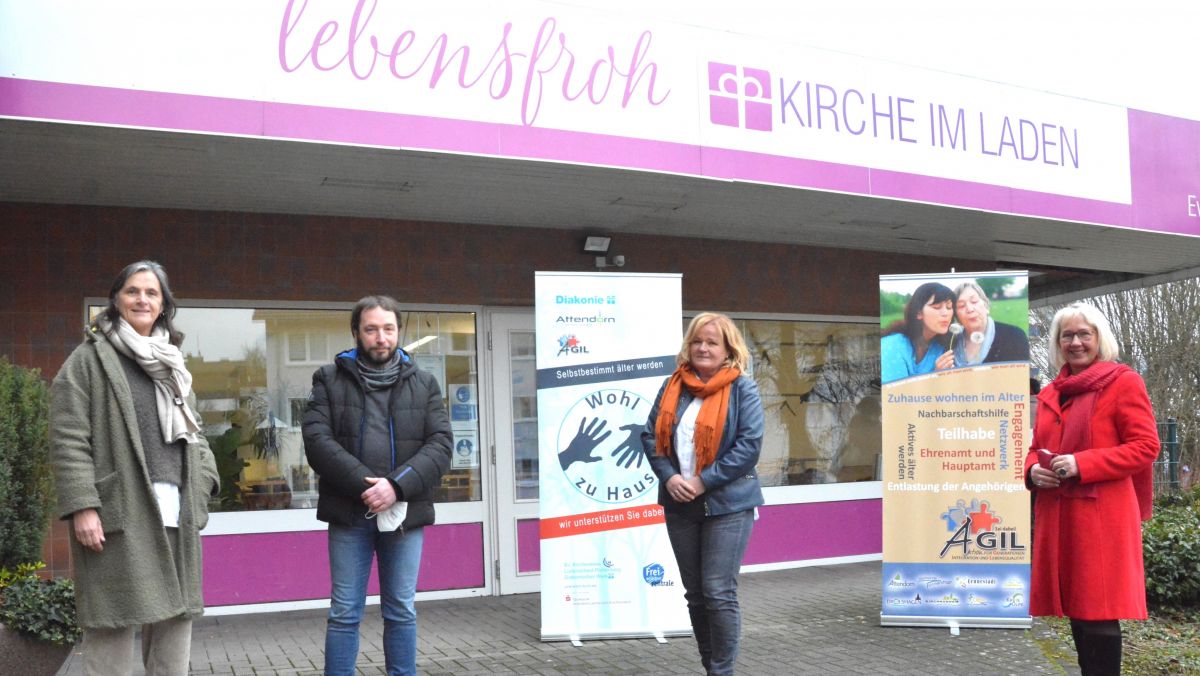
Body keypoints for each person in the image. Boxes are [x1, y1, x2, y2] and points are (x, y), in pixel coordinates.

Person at [50, 260, 219, 675]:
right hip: (117, 512)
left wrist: (202, 486)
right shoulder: (89, 361)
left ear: (164, 305)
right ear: (116, 300)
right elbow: (68, 437)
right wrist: (83, 505)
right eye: (133, 291)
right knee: (113, 622)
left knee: (175, 622)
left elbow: (196, 435)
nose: (142, 299)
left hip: (175, 510)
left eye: (152, 293)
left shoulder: (172, 364)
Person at [302, 295, 452, 676]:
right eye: (371, 329)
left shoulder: (425, 384)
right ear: (356, 333)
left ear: (399, 331)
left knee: (401, 610)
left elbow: (441, 446)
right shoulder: (329, 380)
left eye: (388, 329)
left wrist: (395, 487)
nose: (380, 338)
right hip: (350, 514)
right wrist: (367, 488)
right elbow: (318, 442)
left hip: (403, 516)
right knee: (344, 612)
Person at [1025, 302, 1159, 676]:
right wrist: (1034, 469)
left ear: (1100, 338)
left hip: (1101, 520)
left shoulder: (1123, 382)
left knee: (1097, 614)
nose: (1076, 342)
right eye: (1067, 335)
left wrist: (1083, 463)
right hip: (1059, 516)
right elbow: (1037, 447)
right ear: (1057, 342)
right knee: (1078, 615)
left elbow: (1146, 447)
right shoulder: (1053, 391)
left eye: (1085, 333)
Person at [640, 312, 764, 676]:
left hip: (728, 505)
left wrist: (702, 481)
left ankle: (721, 671)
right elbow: (650, 436)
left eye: (712, 342)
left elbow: (749, 447)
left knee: (717, 591)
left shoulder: (743, 388)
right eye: (697, 341)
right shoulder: (672, 386)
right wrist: (669, 476)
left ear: (728, 349)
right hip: (680, 504)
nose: (703, 347)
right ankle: (710, 665)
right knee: (695, 593)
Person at [880, 282, 956, 383]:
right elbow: (896, 396)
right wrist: (935, 377)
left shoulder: (941, 347)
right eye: (937, 307)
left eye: (949, 307)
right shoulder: (892, 346)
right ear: (919, 313)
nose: (945, 313)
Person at [951, 280, 1029, 366]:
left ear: (986, 305)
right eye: (961, 305)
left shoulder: (1014, 336)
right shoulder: (950, 343)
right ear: (956, 315)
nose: (970, 309)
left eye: (974, 301)